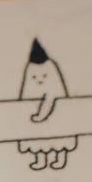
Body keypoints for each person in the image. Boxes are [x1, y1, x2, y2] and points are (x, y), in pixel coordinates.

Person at [17, 39, 77, 171]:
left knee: (60, 140)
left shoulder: (52, 76)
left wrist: (41, 115)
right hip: (38, 120)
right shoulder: (31, 78)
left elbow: (51, 97)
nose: (39, 80)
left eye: (44, 76)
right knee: (38, 141)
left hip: (55, 118)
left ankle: (60, 158)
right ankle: (40, 160)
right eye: (35, 77)